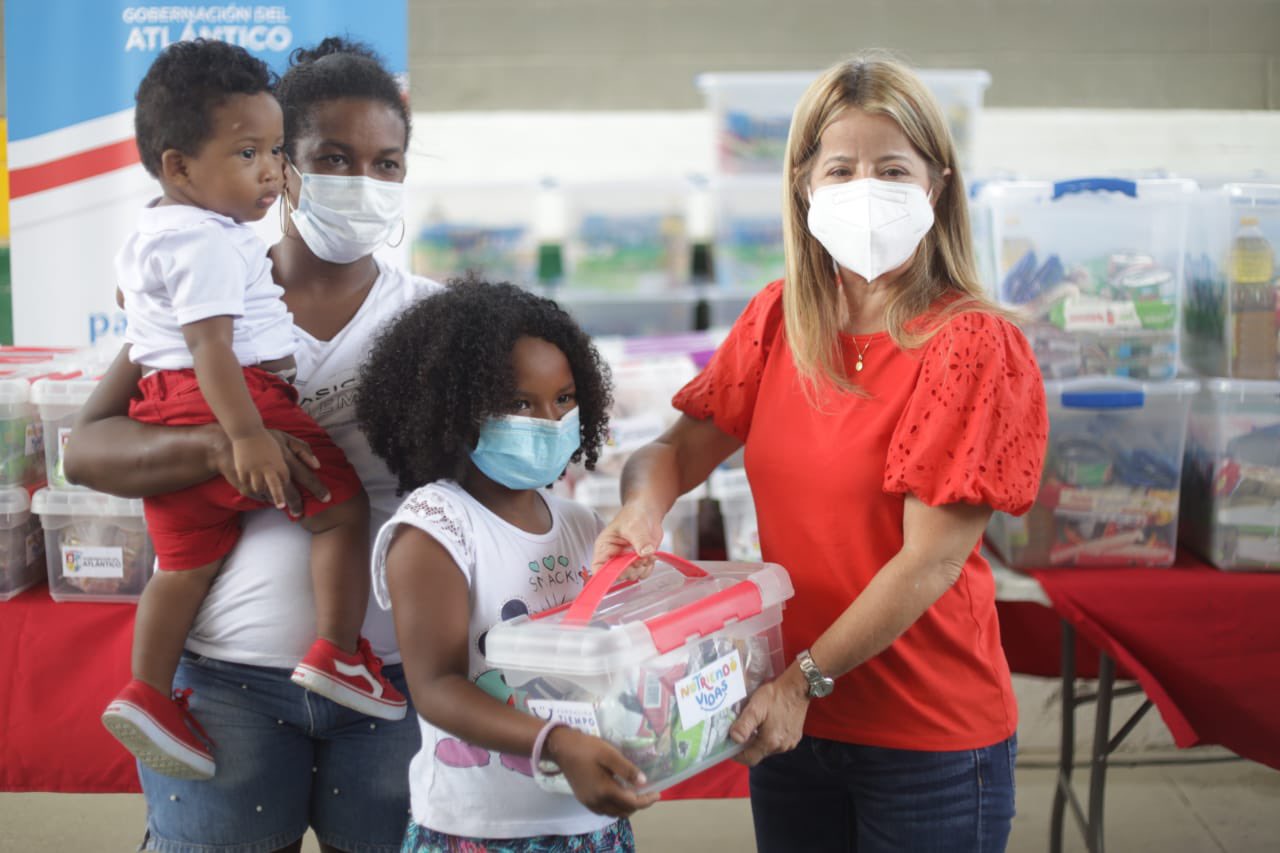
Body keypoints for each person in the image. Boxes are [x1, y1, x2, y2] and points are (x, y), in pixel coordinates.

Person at [593, 55, 1048, 852]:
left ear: (937, 187)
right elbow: (671, 450)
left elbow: (929, 562)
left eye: (892, 169)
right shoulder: (779, 321)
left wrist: (801, 680)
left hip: (927, 738)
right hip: (785, 724)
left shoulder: (972, 344)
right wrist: (643, 508)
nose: (864, 187)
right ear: (803, 183)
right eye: (840, 168)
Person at [63, 37, 431, 853]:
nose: (361, 184)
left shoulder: (436, 319)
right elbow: (86, 454)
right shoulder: (191, 296)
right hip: (225, 685)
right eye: (332, 158)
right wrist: (225, 445)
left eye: (387, 164)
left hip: (391, 683)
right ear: (280, 163)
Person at [356, 279, 659, 851]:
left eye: (564, 399)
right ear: (455, 409)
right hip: (479, 831)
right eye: (520, 403)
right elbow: (437, 686)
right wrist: (556, 743)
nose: (549, 421)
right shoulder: (437, 527)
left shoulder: (582, 525)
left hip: (589, 823)